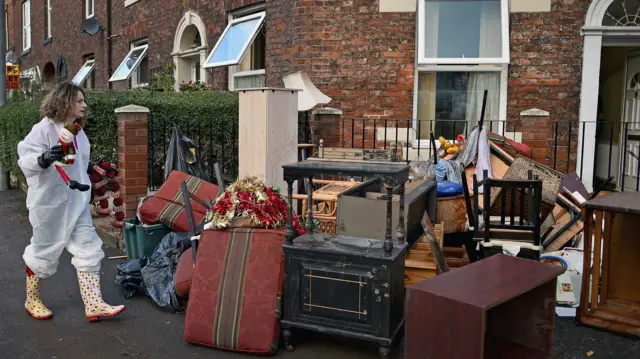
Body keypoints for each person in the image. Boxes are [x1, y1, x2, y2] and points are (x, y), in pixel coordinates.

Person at [17, 82, 125, 322]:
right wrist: (42, 159)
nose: (84, 105)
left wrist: (89, 167)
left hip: (76, 201)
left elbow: (74, 160)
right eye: (79, 100)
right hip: (49, 203)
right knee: (43, 250)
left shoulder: (76, 129)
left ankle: (94, 303)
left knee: (88, 246)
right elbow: (25, 156)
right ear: (64, 101)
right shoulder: (44, 128)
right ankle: (31, 299)